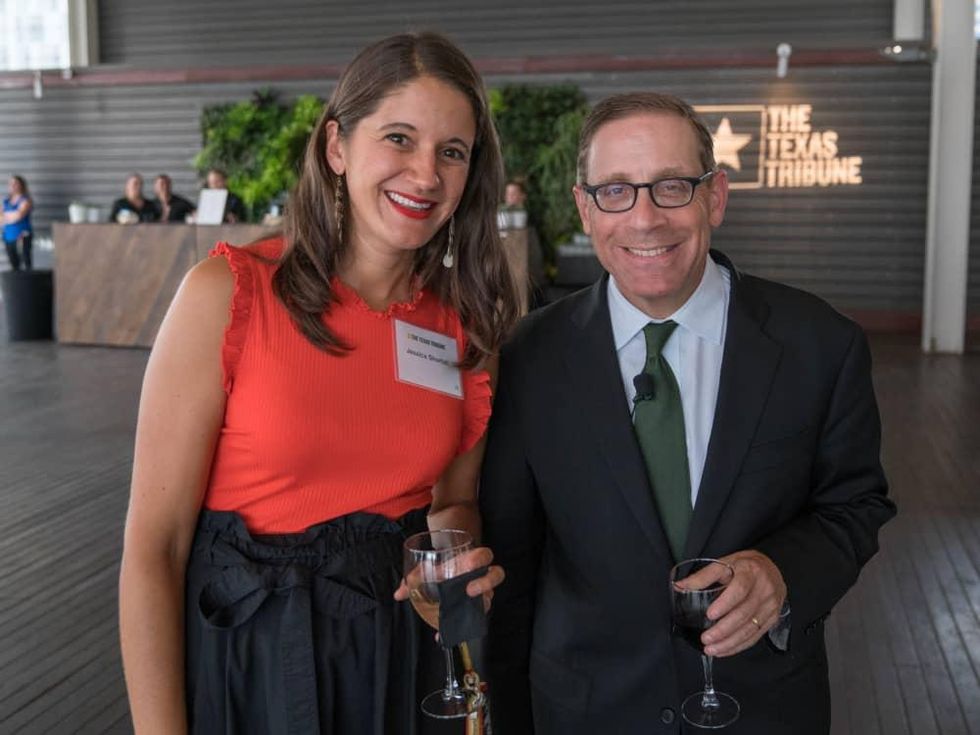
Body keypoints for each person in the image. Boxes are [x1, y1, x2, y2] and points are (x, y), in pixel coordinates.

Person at [119, 32, 521, 734]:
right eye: (399, 138)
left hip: (398, 662)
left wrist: (450, 568)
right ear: (337, 146)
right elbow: (156, 549)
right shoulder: (228, 292)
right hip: (251, 661)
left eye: (451, 151)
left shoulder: (466, 328)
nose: (425, 173)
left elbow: (453, 501)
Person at [479, 92, 896, 734]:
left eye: (672, 186)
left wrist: (782, 572)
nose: (645, 219)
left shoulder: (821, 343)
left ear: (715, 197)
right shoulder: (527, 357)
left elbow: (856, 505)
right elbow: (513, 554)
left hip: (762, 709)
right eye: (616, 191)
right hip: (585, 711)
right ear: (585, 209)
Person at [3, 175, 33, 270]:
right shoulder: (7, 201)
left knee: (25, 263)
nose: (13, 186)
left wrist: (6, 216)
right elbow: (1, 218)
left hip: (22, 236)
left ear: (21, 185)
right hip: (8, 236)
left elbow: (19, 216)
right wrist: (13, 215)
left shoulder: (26, 200)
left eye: (15, 183)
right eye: (11, 184)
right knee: (14, 264)